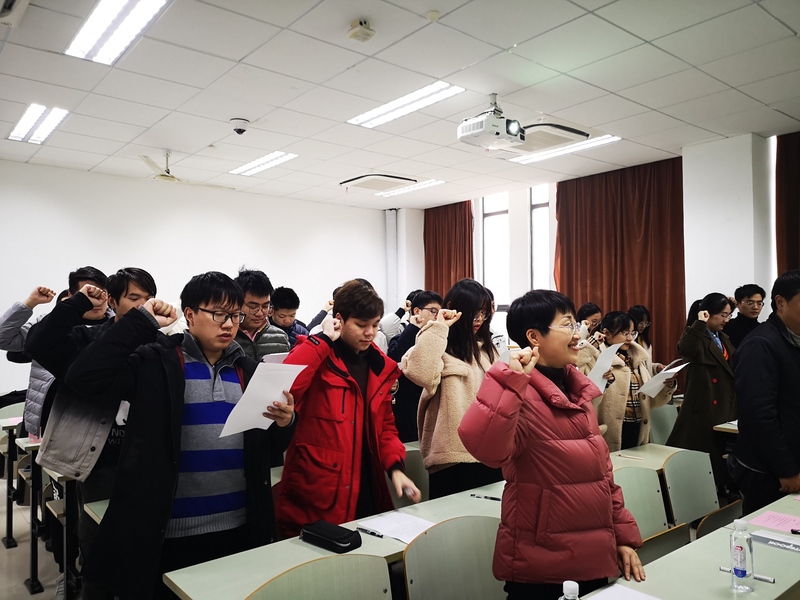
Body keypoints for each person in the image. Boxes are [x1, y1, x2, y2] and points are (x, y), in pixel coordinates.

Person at [62, 272, 296, 599]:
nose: (229, 324)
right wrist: (141, 322)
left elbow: (267, 447)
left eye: (235, 315)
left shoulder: (248, 371)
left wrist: (286, 422)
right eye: (219, 314)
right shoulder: (157, 362)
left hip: (239, 527)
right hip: (169, 533)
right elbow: (84, 377)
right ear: (190, 314)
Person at [458, 290, 644, 599]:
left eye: (575, 325)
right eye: (568, 325)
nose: (578, 335)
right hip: (541, 567)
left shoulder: (577, 391)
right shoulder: (517, 391)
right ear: (534, 336)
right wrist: (510, 382)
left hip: (593, 559)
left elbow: (603, 479)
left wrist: (623, 538)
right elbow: (486, 449)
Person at [26, 268, 158, 575]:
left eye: (148, 298)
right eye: (134, 298)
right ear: (113, 300)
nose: (143, 306)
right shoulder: (87, 337)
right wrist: (77, 303)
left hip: (143, 459)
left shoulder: (157, 343)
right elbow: (36, 344)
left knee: (140, 543)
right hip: (98, 460)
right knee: (97, 541)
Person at [276, 280, 419, 537]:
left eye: (375, 325)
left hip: (367, 485)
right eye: (361, 325)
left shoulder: (379, 367)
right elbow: (285, 387)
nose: (370, 333)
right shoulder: (318, 353)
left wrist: (395, 469)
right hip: (320, 489)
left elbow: (385, 427)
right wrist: (322, 340)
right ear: (339, 320)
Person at [401, 278, 501, 498]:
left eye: (484, 313)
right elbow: (419, 373)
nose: (479, 319)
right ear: (454, 309)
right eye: (474, 312)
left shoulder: (488, 350)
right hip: (451, 457)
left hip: (488, 453)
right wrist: (439, 326)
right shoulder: (437, 343)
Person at [1, 266, 110, 439]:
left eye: (101, 293)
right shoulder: (47, 325)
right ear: (73, 295)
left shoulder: (118, 327)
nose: (96, 300)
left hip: (95, 418)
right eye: (89, 293)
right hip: (48, 415)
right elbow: (3, 338)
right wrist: (30, 302)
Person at [728, 270, 800, 514]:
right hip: (770, 470)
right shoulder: (760, 345)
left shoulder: (793, 339)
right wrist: (786, 469)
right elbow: (759, 415)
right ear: (781, 302)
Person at [577, 312, 675, 452]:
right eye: (625, 333)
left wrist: (665, 386)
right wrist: (590, 344)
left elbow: (650, 401)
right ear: (606, 333)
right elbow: (577, 371)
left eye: (632, 333)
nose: (630, 338)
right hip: (610, 429)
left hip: (638, 426)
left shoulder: (637, 359)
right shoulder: (597, 357)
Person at [667, 293, 736, 490]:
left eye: (728, 315)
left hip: (726, 401)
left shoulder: (722, 338)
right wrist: (699, 323)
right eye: (722, 315)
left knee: (719, 452)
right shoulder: (696, 334)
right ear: (707, 313)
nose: (726, 320)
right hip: (705, 403)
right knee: (702, 451)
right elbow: (686, 349)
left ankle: (722, 489)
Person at [387, 290, 443, 442]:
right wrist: (413, 327)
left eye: (439, 312)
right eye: (433, 311)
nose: (436, 316)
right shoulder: (401, 337)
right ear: (417, 311)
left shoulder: (441, 340)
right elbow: (395, 359)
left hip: (433, 409)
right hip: (407, 410)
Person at [233, 268, 290, 359]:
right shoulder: (227, 336)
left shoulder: (280, 337)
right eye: (253, 307)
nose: (259, 313)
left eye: (265, 306)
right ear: (237, 303)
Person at [725, 283, 767, 348]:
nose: (755, 307)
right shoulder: (727, 327)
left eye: (759, 303)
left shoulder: (764, 329)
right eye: (750, 303)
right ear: (737, 304)